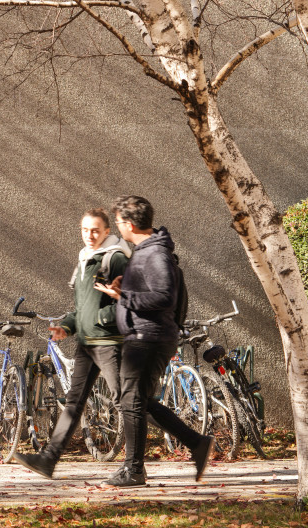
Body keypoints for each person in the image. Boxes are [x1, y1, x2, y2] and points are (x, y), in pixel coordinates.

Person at [95, 196, 213, 487]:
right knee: (140, 402)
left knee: (131, 401)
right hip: (146, 335)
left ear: (130, 224)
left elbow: (164, 296)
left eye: (119, 223)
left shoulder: (155, 253)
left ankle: (133, 470)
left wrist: (123, 296)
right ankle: (196, 443)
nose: (118, 228)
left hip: (148, 337)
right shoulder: (147, 251)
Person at [13, 208, 131, 478]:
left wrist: (99, 319)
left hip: (109, 341)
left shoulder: (116, 259)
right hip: (88, 343)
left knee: (126, 403)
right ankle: (48, 460)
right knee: (74, 401)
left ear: (106, 232)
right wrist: (66, 326)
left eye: (95, 230)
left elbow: (130, 303)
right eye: (85, 229)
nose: (89, 235)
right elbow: (82, 308)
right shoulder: (85, 260)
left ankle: (148, 460)